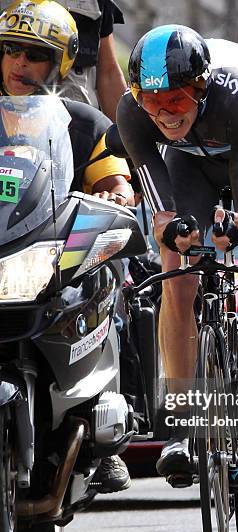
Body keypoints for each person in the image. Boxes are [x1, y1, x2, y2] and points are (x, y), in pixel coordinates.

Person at [117, 24, 238, 489]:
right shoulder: (131, 111)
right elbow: (160, 214)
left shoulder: (236, 96)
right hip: (188, 166)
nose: (164, 114)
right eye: (152, 101)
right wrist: (173, 228)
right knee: (176, 282)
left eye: (177, 101)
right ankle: (183, 422)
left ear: (201, 88)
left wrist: (237, 227)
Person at [0, 0, 134, 492]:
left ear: (59, 63)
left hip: (57, 247)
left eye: (34, 55)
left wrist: (115, 196)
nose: (19, 65)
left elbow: (117, 183)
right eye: (10, 51)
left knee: (111, 279)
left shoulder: (82, 124)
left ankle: (106, 430)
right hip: (2, 246)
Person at [0, 0, 127, 121]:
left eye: (35, 55)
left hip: (75, 130)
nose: (20, 61)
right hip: (7, 117)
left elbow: (109, 73)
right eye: (12, 49)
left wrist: (124, 137)